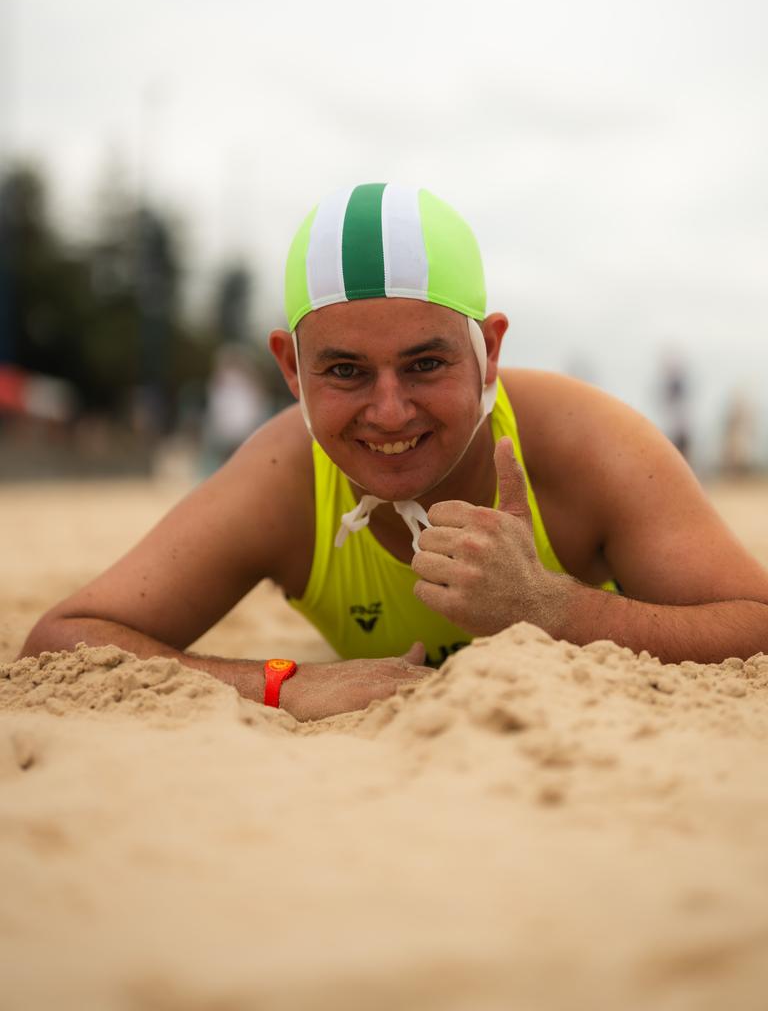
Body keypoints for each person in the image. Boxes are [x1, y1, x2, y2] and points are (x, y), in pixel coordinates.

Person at [21, 183, 768, 720]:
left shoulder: (586, 443)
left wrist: (553, 606)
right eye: (344, 371)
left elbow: (758, 622)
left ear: (490, 351)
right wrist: (283, 683)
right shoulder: (283, 479)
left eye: (425, 364)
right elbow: (61, 641)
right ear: (290, 368)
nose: (388, 411)